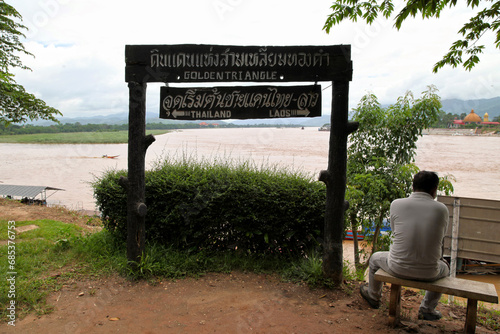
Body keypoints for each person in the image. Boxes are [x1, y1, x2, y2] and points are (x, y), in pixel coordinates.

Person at [360, 170, 450, 320]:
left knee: (375, 258)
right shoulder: (442, 209)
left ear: (413, 187)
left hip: (397, 268)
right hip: (429, 273)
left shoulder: (397, 204)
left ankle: (374, 295)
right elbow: (439, 237)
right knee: (445, 268)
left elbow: (396, 232)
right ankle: (427, 308)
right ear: (434, 190)